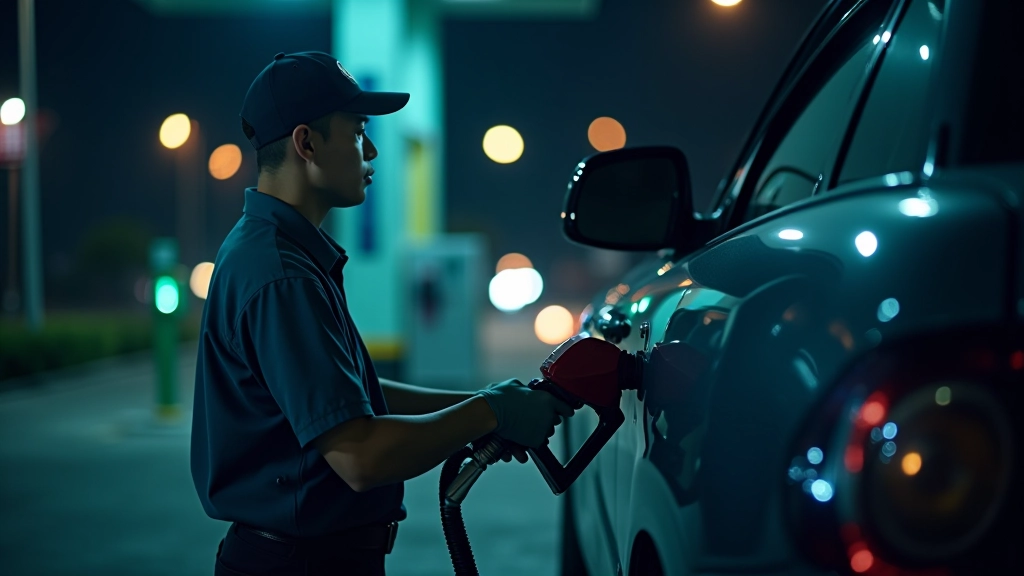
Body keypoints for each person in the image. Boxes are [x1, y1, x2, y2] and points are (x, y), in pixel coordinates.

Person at [190, 51, 575, 576]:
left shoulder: (283, 253)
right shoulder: (282, 274)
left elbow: (353, 399)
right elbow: (359, 455)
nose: (370, 150)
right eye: (357, 131)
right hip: (299, 564)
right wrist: (491, 413)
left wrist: (486, 403)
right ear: (307, 143)